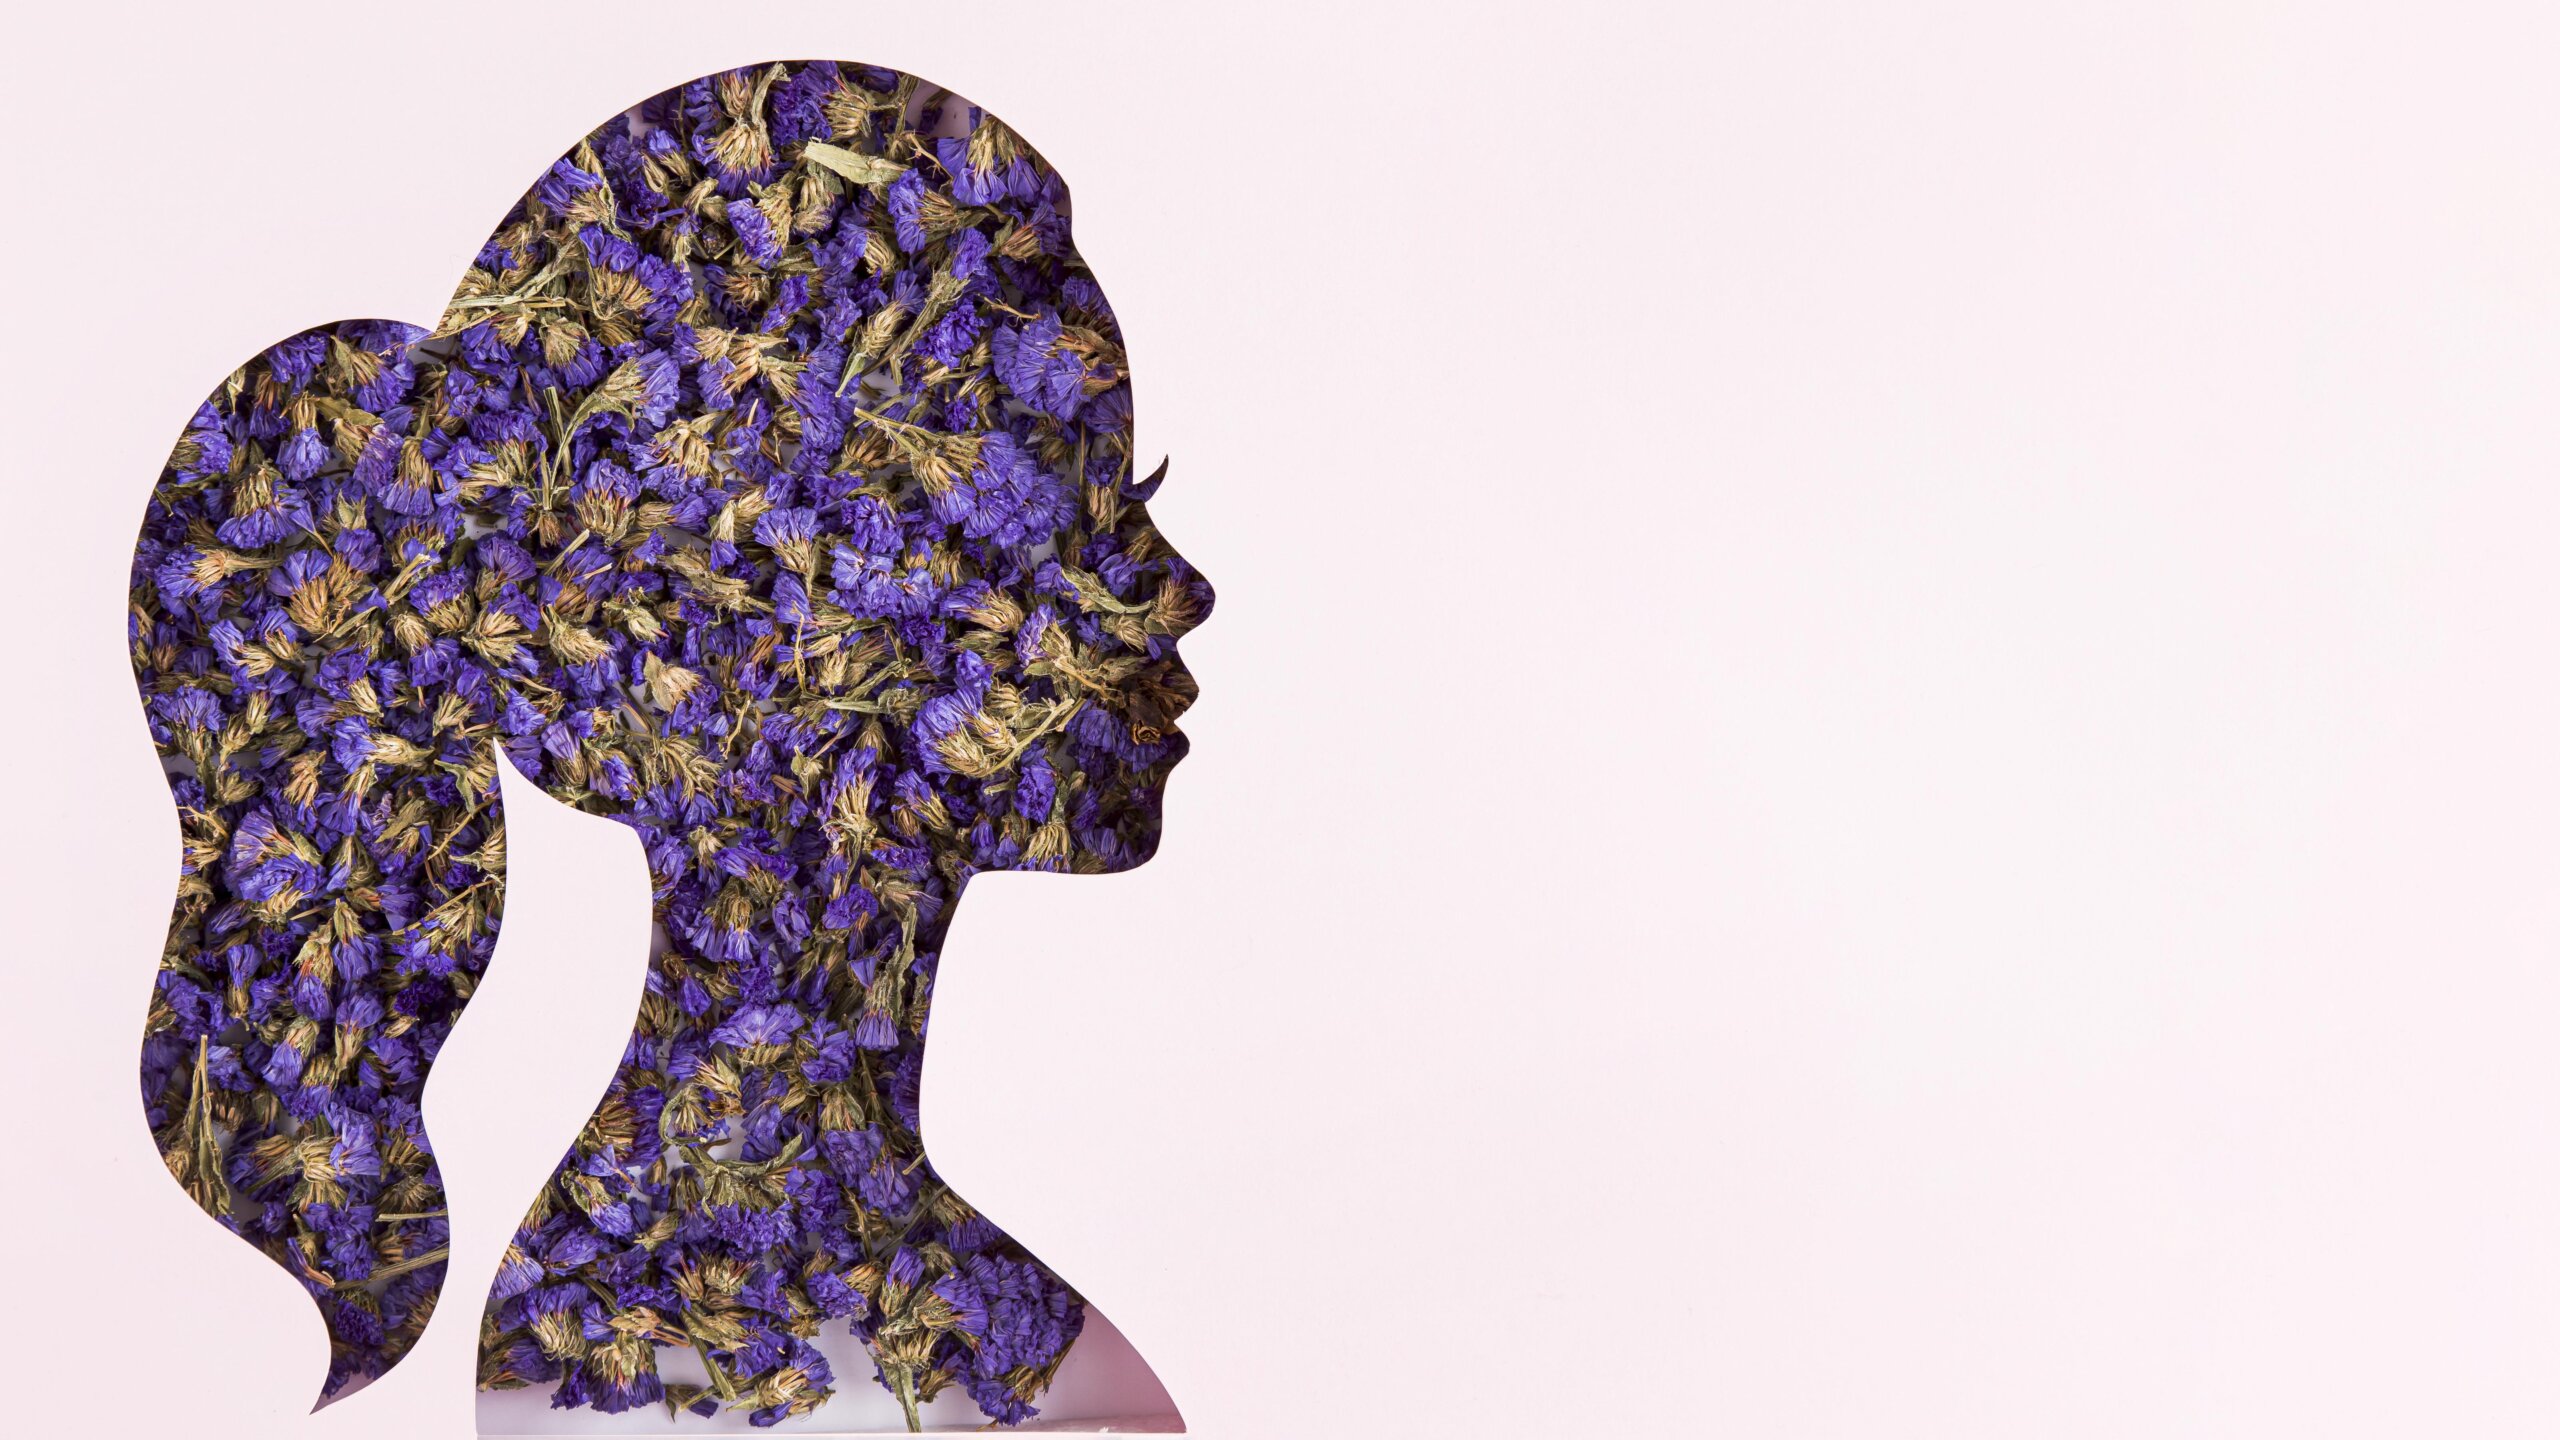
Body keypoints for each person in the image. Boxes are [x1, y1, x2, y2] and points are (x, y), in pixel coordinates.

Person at [130, 60, 1208, 1429]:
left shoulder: (637, 1339)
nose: (1181, 590)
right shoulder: (1003, 1385)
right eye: (1083, 515)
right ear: (809, 661)